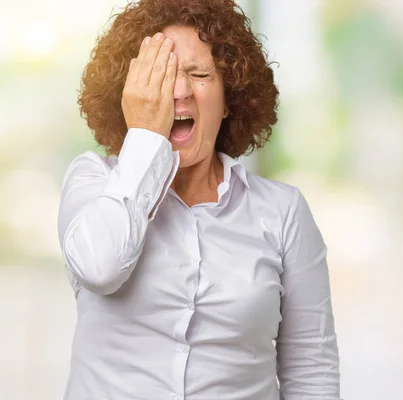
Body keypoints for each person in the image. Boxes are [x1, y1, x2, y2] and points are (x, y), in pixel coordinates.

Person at [56, 0, 341, 399]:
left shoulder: (283, 212)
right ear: (130, 97)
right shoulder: (93, 182)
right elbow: (101, 269)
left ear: (229, 99)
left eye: (200, 74)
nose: (179, 90)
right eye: (161, 76)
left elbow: (312, 370)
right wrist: (145, 137)